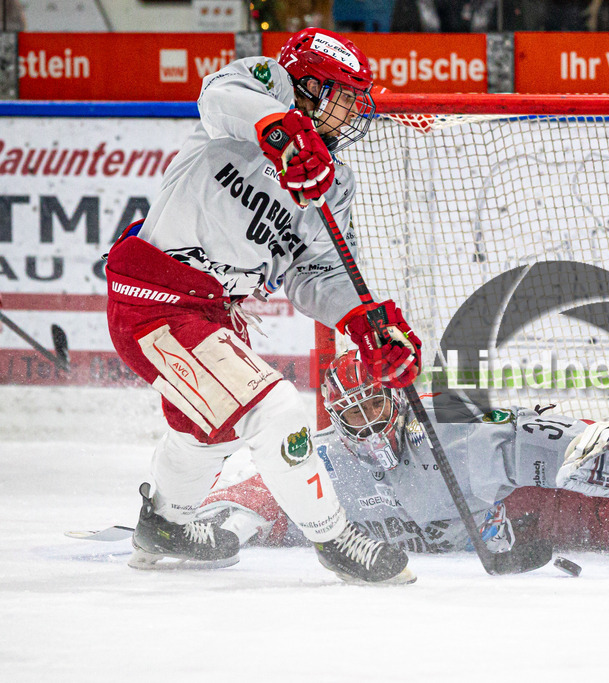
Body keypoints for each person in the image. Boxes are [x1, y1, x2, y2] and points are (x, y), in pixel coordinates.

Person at [104, 28, 422, 585]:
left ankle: (165, 526)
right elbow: (217, 98)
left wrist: (366, 323)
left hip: (212, 310)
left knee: (209, 430)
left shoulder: (334, 182)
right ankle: (334, 538)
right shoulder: (264, 85)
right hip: (156, 297)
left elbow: (315, 271)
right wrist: (278, 131)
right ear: (310, 85)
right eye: (345, 95)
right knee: (275, 411)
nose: (353, 113)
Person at [195, 334, 609, 556]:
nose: (369, 419)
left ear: (398, 398)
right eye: (353, 409)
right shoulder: (326, 459)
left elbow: (547, 438)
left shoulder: (452, 422)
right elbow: (254, 473)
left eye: (378, 400)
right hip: (554, 537)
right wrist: (226, 520)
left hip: (570, 510)